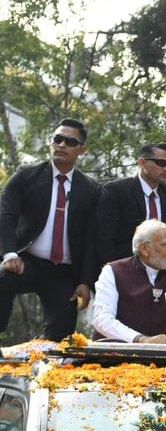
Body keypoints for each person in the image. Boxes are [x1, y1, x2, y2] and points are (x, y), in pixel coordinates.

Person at [0, 119, 100, 340]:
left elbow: (92, 240)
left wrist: (85, 282)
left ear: (82, 150)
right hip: (26, 262)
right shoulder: (26, 176)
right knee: (2, 277)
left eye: (70, 141)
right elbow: (5, 215)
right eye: (58, 139)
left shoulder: (92, 190)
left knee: (61, 338)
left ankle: (45, 368)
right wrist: (9, 254)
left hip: (63, 273)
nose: (62, 145)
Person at [95, 142, 166, 341]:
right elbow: (104, 238)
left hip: (161, 269)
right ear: (142, 163)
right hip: (126, 270)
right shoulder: (116, 190)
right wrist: (113, 273)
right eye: (161, 163)